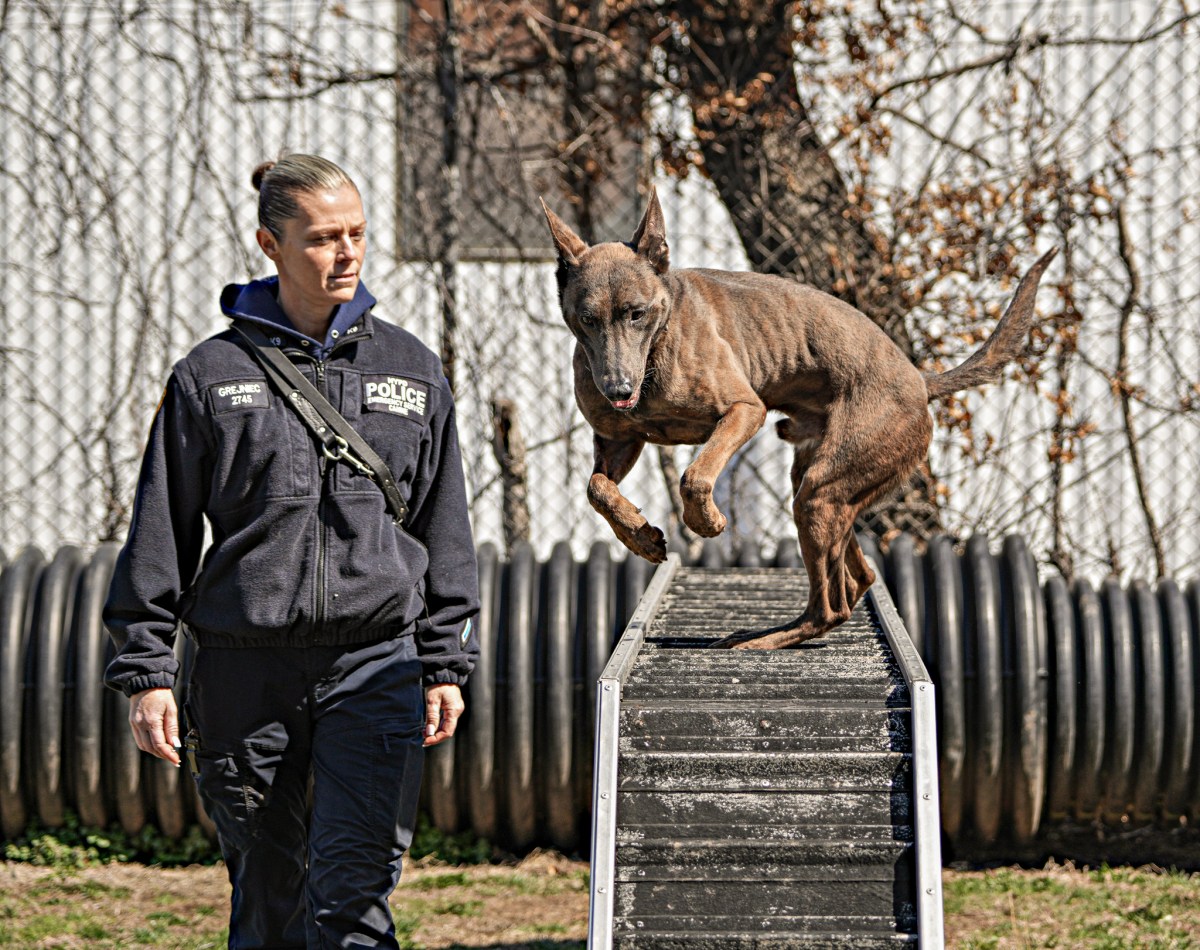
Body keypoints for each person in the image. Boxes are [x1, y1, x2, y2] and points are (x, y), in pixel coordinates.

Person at [103, 154, 480, 949]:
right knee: (269, 899)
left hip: (376, 666)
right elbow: (161, 530)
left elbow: (445, 526)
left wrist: (445, 661)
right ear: (270, 245)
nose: (346, 254)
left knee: (353, 895)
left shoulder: (411, 369)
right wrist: (147, 671)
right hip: (243, 672)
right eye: (322, 239)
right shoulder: (211, 376)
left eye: (357, 235)